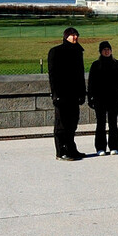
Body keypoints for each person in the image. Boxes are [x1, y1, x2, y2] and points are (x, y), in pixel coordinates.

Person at [47, 27, 86, 161]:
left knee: (72, 123)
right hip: (62, 94)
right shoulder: (56, 51)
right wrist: (55, 94)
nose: (75, 37)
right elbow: (53, 75)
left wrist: (82, 93)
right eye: (72, 35)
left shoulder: (78, 51)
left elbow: (80, 74)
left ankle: (71, 149)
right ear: (65, 37)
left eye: (76, 35)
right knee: (61, 124)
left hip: (74, 94)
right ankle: (61, 151)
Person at [87, 41, 118, 156]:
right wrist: (90, 98)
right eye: (104, 49)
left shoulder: (116, 64)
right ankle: (100, 147)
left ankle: (114, 146)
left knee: (113, 123)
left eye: (108, 49)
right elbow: (91, 83)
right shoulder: (95, 65)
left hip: (113, 98)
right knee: (100, 123)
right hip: (99, 98)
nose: (107, 51)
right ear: (100, 51)